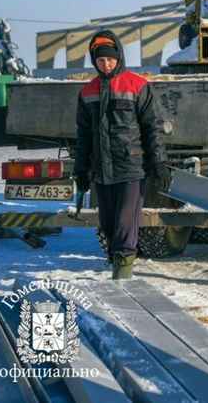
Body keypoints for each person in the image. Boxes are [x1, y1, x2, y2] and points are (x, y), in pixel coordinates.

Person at [73, 30, 168, 280]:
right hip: (102, 169)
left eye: (110, 60)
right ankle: (116, 261)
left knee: (126, 223)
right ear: (94, 61)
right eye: (100, 60)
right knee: (107, 224)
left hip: (131, 167)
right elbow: (83, 135)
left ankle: (123, 271)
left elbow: (152, 128)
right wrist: (80, 170)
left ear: (119, 57)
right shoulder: (87, 92)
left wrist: (159, 162)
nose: (106, 65)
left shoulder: (137, 86)